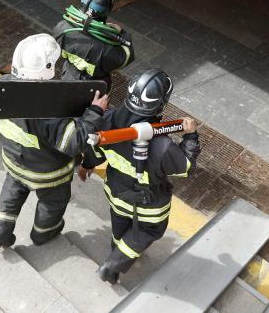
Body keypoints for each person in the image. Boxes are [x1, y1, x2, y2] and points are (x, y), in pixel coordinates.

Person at [0, 33, 108, 249]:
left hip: (14, 162)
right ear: (48, 68)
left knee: (10, 197)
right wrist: (94, 112)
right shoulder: (48, 110)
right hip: (47, 174)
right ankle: (43, 234)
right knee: (53, 204)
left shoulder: (2, 88)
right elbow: (74, 141)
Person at [85, 68, 200, 284]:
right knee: (149, 231)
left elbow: (96, 151)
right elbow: (186, 166)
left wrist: (87, 165)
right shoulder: (163, 147)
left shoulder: (107, 122)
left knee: (120, 226)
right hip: (150, 205)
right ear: (161, 104)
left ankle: (116, 256)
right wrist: (191, 136)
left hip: (117, 194)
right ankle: (113, 263)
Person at [54, 0, 134, 90]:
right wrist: (121, 33)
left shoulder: (62, 27)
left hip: (67, 78)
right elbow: (125, 57)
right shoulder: (106, 47)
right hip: (95, 89)